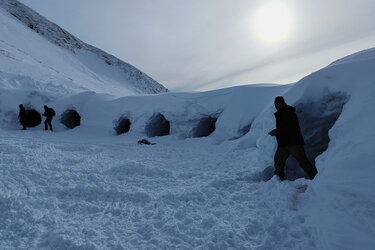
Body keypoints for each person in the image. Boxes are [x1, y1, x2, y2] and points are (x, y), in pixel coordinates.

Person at [268, 96, 318, 180]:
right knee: (278, 160)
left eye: (279, 104)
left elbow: (290, 128)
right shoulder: (281, 113)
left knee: (303, 162)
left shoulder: (288, 112)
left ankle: (316, 178)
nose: (277, 106)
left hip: (294, 143)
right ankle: (277, 179)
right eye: (275, 104)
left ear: (283, 103)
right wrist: (276, 130)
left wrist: (276, 132)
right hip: (283, 143)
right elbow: (283, 127)